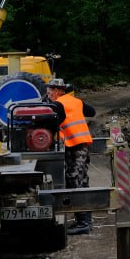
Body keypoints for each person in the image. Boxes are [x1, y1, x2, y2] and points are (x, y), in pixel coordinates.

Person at [46, 78, 96, 235]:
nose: (48, 96)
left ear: (56, 91)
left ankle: (83, 222)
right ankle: (85, 219)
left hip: (75, 145)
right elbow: (92, 112)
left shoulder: (57, 104)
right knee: (82, 180)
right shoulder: (75, 101)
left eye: (49, 92)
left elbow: (49, 121)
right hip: (82, 145)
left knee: (74, 180)